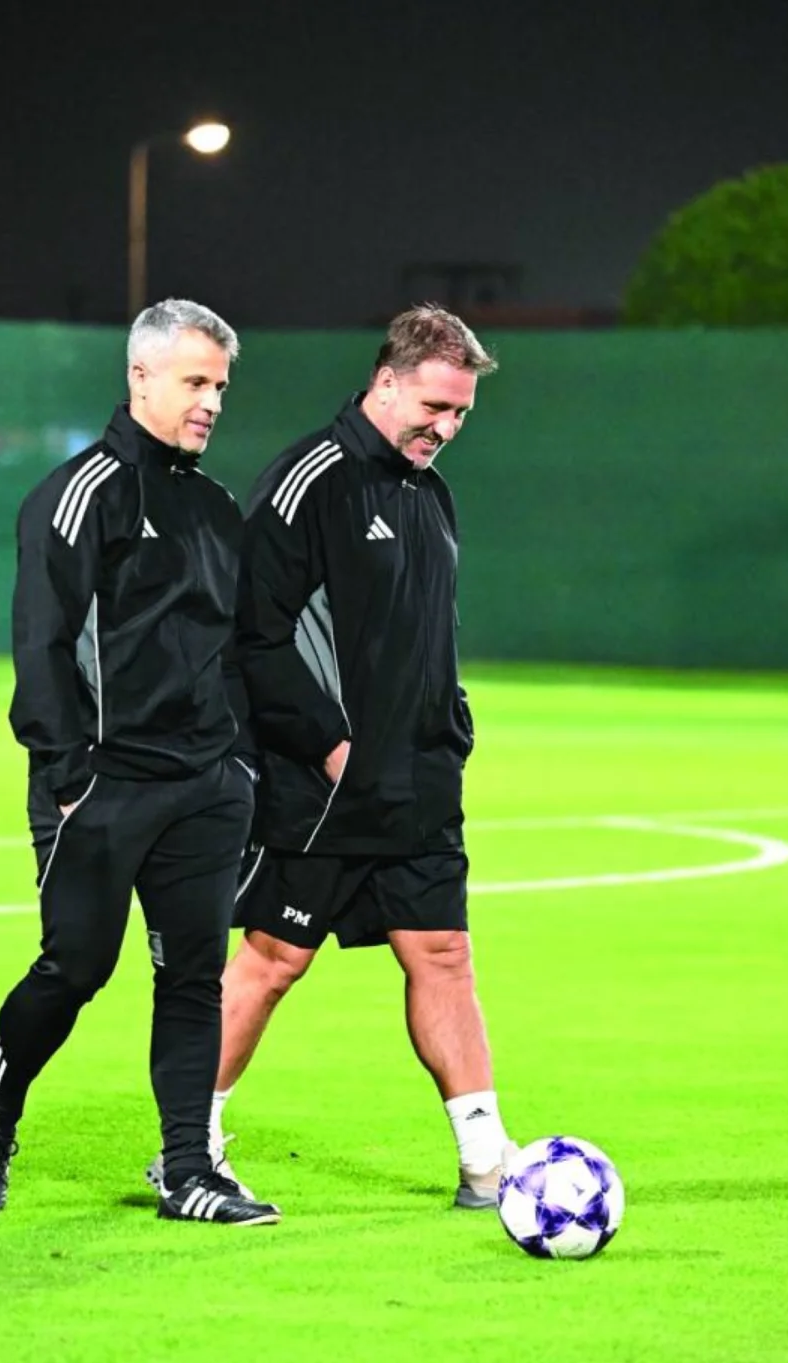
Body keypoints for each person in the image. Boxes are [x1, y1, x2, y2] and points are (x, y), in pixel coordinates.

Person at [148, 304, 513, 1209]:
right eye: (435, 405)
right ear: (386, 382)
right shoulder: (311, 480)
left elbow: (427, 630)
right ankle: (187, 1146)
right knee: (274, 956)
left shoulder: (430, 492)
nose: (447, 427)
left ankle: (487, 1158)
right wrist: (330, 745)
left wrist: (450, 723)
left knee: (443, 951)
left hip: (421, 776)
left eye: (462, 413)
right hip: (322, 783)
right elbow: (253, 637)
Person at [0, 298, 280, 1226]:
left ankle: (189, 1171)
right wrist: (69, 778)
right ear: (140, 377)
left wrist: (242, 769)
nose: (211, 401)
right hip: (101, 788)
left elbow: (237, 651)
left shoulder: (217, 508)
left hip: (206, 787)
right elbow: (42, 648)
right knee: (75, 967)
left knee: (191, 977)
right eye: (194, 381)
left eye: (220, 384)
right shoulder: (75, 495)